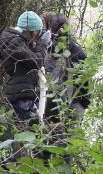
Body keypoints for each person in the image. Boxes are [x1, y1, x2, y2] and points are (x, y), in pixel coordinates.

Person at [42, 13, 90, 162]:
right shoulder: (74, 48)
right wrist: (85, 101)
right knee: (66, 147)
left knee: (44, 144)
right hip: (74, 101)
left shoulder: (42, 46)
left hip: (47, 103)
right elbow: (85, 75)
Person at [0, 11, 50, 125]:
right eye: (37, 33)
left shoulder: (16, 41)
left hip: (21, 95)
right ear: (33, 33)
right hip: (20, 97)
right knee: (31, 132)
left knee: (33, 131)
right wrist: (43, 44)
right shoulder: (13, 41)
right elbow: (36, 61)